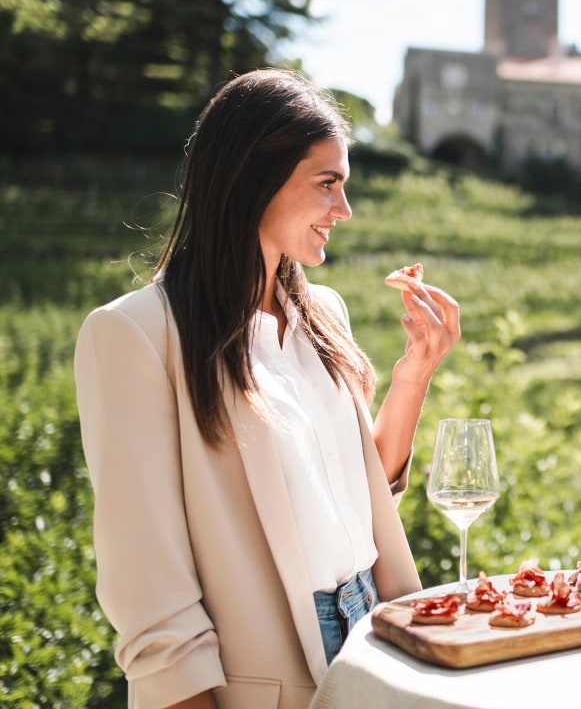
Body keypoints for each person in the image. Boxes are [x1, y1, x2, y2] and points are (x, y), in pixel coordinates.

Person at [74, 68, 461, 709]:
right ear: (252, 179)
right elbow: (153, 603)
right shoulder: (136, 335)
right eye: (327, 184)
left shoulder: (324, 314)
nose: (344, 210)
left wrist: (415, 371)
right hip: (269, 675)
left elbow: (366, 491)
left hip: (378, 635)